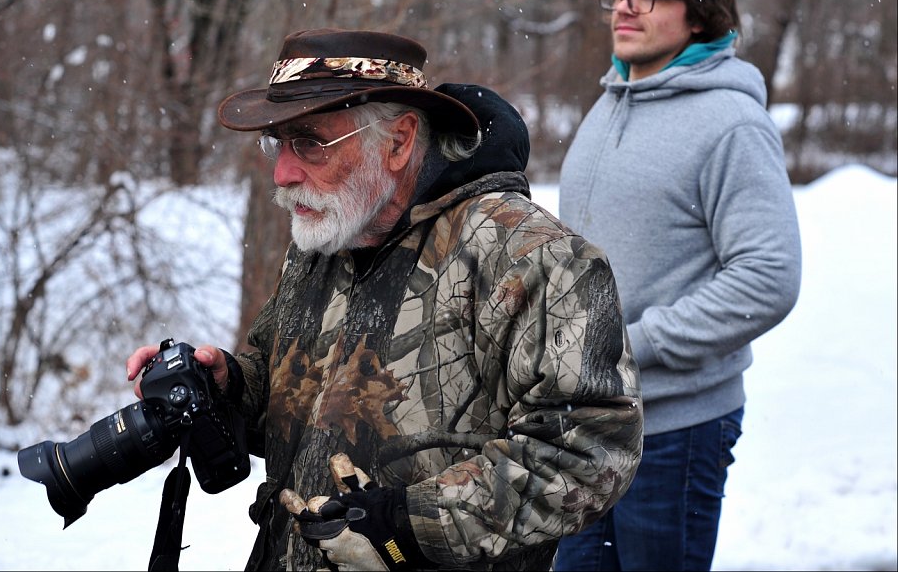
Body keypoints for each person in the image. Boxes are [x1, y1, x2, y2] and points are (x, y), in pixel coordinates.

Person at [127, 28, 643, 571]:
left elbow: (590, 451)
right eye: (278, 142)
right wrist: (226, 386)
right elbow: (296, 392)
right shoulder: (328, 229)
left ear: (397, 142)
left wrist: (406, 525)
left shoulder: (529, 255)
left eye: (309, 142)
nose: (282, 173)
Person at [553, 0, 802, 572]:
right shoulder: (608, 105)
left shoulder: (731, 124)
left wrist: (633, 346)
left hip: (673, 430)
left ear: (699, 12)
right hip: (584, 425)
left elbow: (767, 276)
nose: (627, 7)